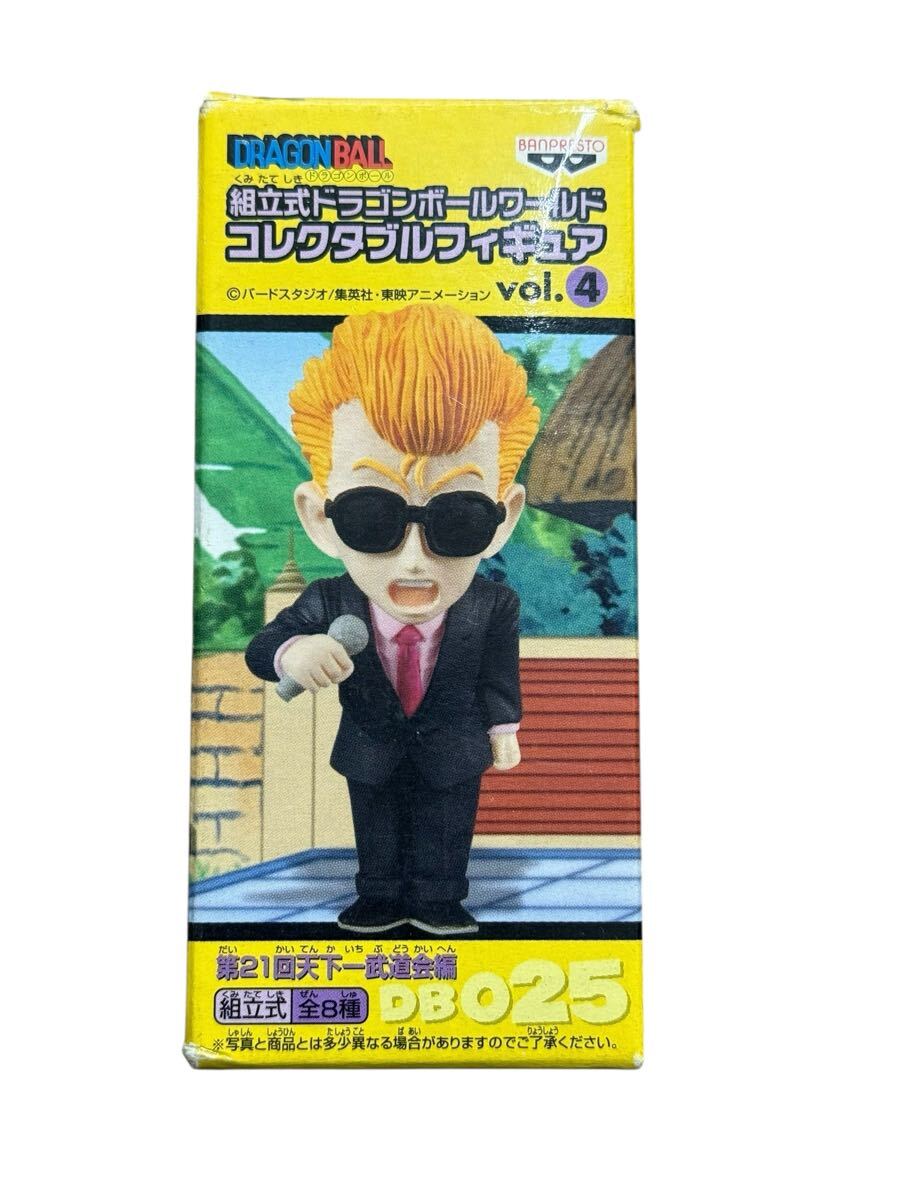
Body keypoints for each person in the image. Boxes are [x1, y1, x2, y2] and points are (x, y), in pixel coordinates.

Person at [245, 304, 540, 934]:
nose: (413, 560)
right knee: (374, 823)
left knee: (448, 823)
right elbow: (265, 644)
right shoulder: (330, 601)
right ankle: (377, 895)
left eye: (457, 520)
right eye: (372, 518)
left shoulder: (493, 605)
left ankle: (440, 898)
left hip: (455, 748)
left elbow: (497, 673)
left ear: (502, 519)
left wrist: (504, 727)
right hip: (370, 747)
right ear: (320, 519)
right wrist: (293, 651)